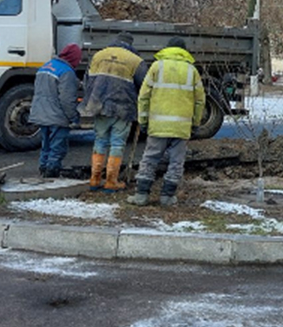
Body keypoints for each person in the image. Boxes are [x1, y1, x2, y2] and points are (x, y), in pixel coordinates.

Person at [131, 37, 207, 207]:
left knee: (150, 159)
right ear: (184, 51)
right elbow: (199, 101)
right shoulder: (191, 70)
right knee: (176, 162)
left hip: (158, 125)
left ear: (167, 48)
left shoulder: (157, 67)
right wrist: (195, 123)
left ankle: (142, 195)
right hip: (181, 127)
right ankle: (167, 197)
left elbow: (144, 96)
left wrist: (143, 120)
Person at [82, 34, 147, 192]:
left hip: (99, 105)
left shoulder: (98, 55)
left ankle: (94, 179)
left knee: (100, 140)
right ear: (130, 44)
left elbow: (87, 80)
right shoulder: (135, 60)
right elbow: (144, 87)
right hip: (122, 108)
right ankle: (111, 181)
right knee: (117, 143)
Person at [31, 43, 82, 178]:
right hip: (57, 116)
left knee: (46, 145)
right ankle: (51, 173)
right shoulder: (67, 72)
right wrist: (73, 117)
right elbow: (67, 100)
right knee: (57, 147)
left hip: (41, 113)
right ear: (73, 58)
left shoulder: (46, 66)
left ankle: (43, 168)